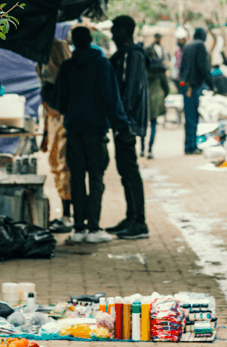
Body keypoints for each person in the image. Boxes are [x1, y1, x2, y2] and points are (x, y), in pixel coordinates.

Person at [56, 27, 130, 244]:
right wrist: (122, 125)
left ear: (72, 43)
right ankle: (94, 228)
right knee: (96, 178)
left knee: (77, 177)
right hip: (96, 131)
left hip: (74, 130)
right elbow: (111, 99)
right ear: (90, 41)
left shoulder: (67, 67)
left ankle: (78, 228)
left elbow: (59, 102)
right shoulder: (102, 64)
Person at [106, 16, 150, 240]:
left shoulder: (133, 56)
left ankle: (139, 221)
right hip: (124, 121)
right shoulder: (125, 55)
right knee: (125, 170)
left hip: (127, 123)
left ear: (124, 31)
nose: (112, 35)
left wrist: (122, 121)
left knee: (130, 170)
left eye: (115, 31)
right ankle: (131, 216)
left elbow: (130, 92)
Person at [38, 39, 74, 232]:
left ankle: (68, 215)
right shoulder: (44, 58)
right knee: (57, 166)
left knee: (63, 166)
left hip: (62, 119)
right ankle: (67, 214)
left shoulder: (57, 53)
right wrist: (44, 133)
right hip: (54, 120)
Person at [179, 27, 213, 155]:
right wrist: (211, 84)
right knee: (193, 116)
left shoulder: (188, 46)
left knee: (189, 117)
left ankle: (189, 145)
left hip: (185, 85)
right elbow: (203, 67)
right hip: (192, 86)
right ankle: (191, 146)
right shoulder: (200, 46)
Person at [146, 45, 171, 159]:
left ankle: (142, 148)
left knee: (143, 124)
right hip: (156, 98)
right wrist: (163, 95)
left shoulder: (142, 67)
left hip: (144, 99)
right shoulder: (160, 68)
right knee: (153, 124)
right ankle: (150, 149)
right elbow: (166, 86)